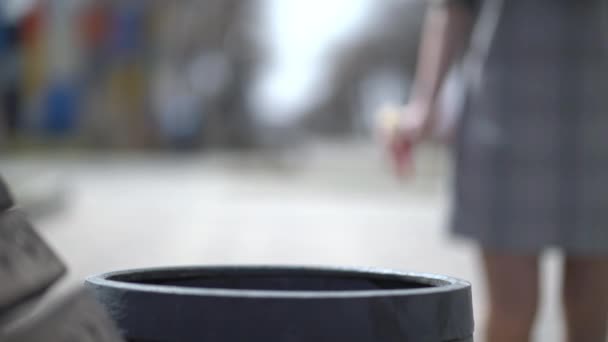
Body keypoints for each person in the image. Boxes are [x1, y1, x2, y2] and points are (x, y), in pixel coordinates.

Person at [388, 0, 608, 341]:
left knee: (590, 313)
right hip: (502, 114)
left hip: (598, 116)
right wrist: (424, 103)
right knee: (512, 311)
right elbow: (451, 7)